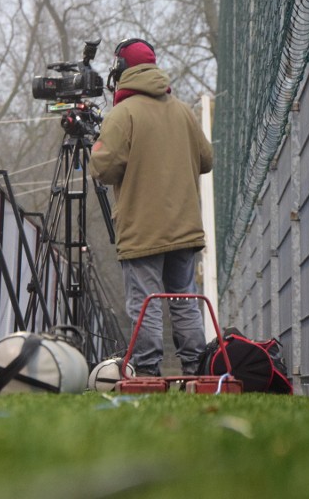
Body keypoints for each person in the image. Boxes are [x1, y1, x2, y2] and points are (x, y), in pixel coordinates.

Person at [89, 38, 213, 376]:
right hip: (185, 226)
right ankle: (196, 371)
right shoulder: (182, 110)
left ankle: (147, 372)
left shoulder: (123, 114)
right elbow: (206, 159)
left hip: (142, 228)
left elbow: (102, 168)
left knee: (146, 304)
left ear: (121, 71)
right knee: (184, 302)